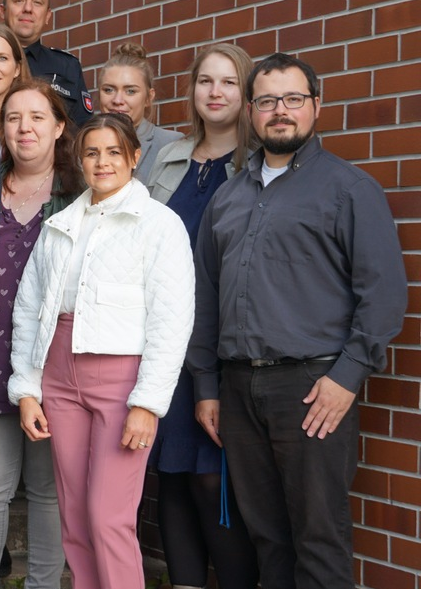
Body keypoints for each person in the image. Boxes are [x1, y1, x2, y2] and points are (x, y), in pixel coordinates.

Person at [188, 53, 407, 589]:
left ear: (316, 106)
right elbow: (205, 297)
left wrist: (346, 377)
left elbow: (383, 295)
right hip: (238, 389)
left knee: (317, 537)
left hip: (312, 389)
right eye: (266, 101)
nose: (279, 111)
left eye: (292, 99)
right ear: (251, 112)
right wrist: (207, 385)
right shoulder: (228, 197)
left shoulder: (350, 189)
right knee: (266, 536)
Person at [9, 113, 194, 589]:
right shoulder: (61, 224)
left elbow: (171, 321)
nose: (102, 161)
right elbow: (30, 308)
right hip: (58, 376)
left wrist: (147, 404)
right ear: (79, 159)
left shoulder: (159, 225)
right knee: (74, 513)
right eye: (92, 152)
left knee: (107, 515)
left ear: (135, 157)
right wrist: (27, 388)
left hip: (121, 382)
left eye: (115, 151)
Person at [144, 44, 260, 589]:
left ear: (247, 93)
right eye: (206, 81)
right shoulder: (166, 159)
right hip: (162, 338)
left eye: (229, 83)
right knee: (170, 475)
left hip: (218, 344)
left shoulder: (258, 167)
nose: (216, 93)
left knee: (211, 479)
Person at [0, 81, 81, 589]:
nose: (25, 128)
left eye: (38, 117)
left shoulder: (80, 198)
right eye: (14, 118)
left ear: (59, 127)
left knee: (47, 490)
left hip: (54, 366)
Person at [0, 0, 92, 127]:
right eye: (19, 1)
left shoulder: (67, 66)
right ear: (2, 11)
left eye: (37, 3)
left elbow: (82, 130)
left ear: (47, 16)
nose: (28, 8)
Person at [97, 42, 181, 182]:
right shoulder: (81, 146)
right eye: (109, 90)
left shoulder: (171, 145)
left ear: (148, 97)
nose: (118, 100)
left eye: (130, 91)